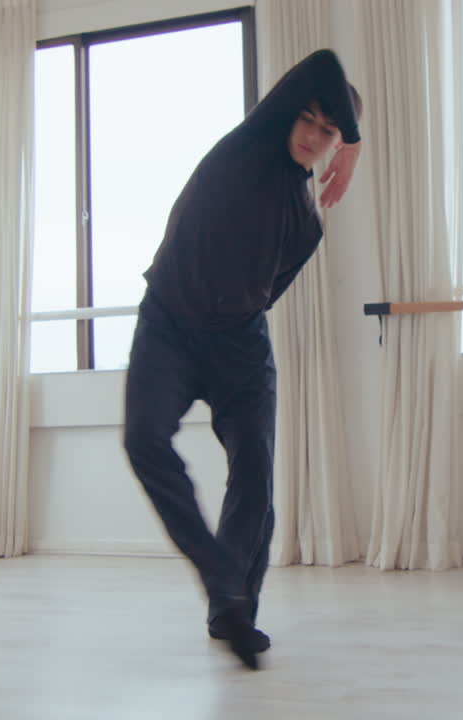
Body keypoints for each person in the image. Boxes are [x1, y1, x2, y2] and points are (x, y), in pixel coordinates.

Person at [122, 49, 363, 670]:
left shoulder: (307, 226)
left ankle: (233, 611)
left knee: (254, 472)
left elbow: (266, 290)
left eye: (328, 131)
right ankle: (218, 570)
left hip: (240, 343)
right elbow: (324, 62)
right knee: (144, 439)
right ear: (290, 115)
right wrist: (356, 147)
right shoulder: (246, 149)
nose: (313, 136)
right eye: (308, 119)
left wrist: (235, 329)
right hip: (168, 324)